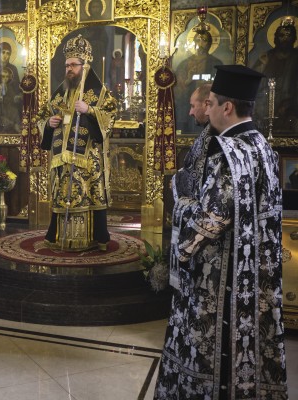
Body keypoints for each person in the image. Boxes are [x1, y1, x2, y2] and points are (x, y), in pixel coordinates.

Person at [155, 65, 288, 399]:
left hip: (219, 283)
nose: (207, 108)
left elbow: (210, 220)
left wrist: (179, 198)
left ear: (227, 107)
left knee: (214, 357)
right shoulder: (263, 148)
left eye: (211, 102)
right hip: (256, 278)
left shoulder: (226, 154)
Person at [37, 34, 117, 251]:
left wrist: (90, 110)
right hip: (62, 158)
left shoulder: (99, 93)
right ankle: (57, 236)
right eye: (67, 65)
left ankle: (95, 237)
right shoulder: (60, 93)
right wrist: (49, 122)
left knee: (89, 195)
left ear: (85, 65)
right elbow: (41, 117)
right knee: (61, 196)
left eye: (73, 65)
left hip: (87, 159)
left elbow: (111, 117)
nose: (69, 69)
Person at [252, 18, 298, 134]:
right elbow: (254, 83)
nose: (285, 39)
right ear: (275, 38)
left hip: (292, 110)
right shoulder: (266, 58)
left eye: (289, 35)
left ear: (295, 38)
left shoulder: (296, 57)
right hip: (266, 109)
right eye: (282, 35)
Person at [175, 29, 222, 133]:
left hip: (210, 108)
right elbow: (178, 91)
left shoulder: (216, 63)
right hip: (188, 108)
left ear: (210, 43)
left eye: (204, 40)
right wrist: (188, 81)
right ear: (194, 42)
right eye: (198, 40)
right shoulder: (184, 64)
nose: (201, 44)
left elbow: (222, 88)